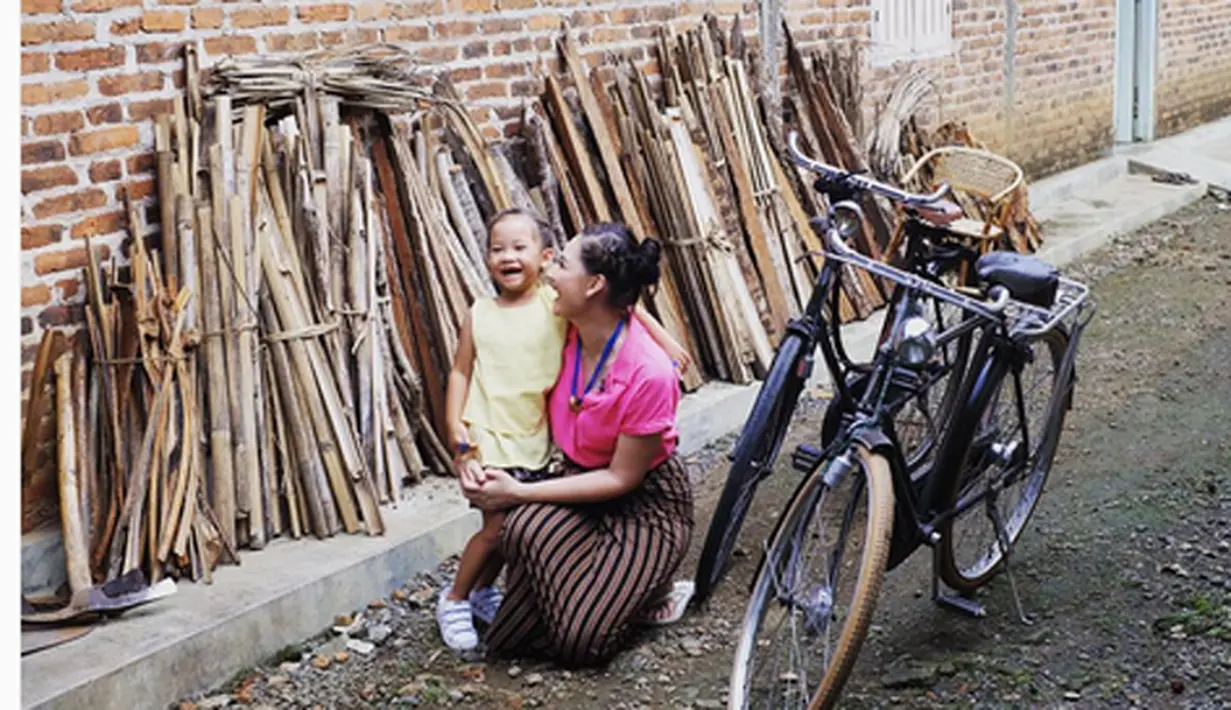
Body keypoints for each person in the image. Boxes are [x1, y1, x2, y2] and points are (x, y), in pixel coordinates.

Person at [437, 210, 692, 654]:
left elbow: (621, 478)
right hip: (576, 479)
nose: (549, 274)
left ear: (593, 286)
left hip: (640, 500)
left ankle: (647, 587)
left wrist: (518, 492)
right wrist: (464, 447)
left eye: (560, 265)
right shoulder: (567, 326)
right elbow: (623, 304)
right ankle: (610, 584)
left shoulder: (648, 374)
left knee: (579, 640)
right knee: (511, 626)